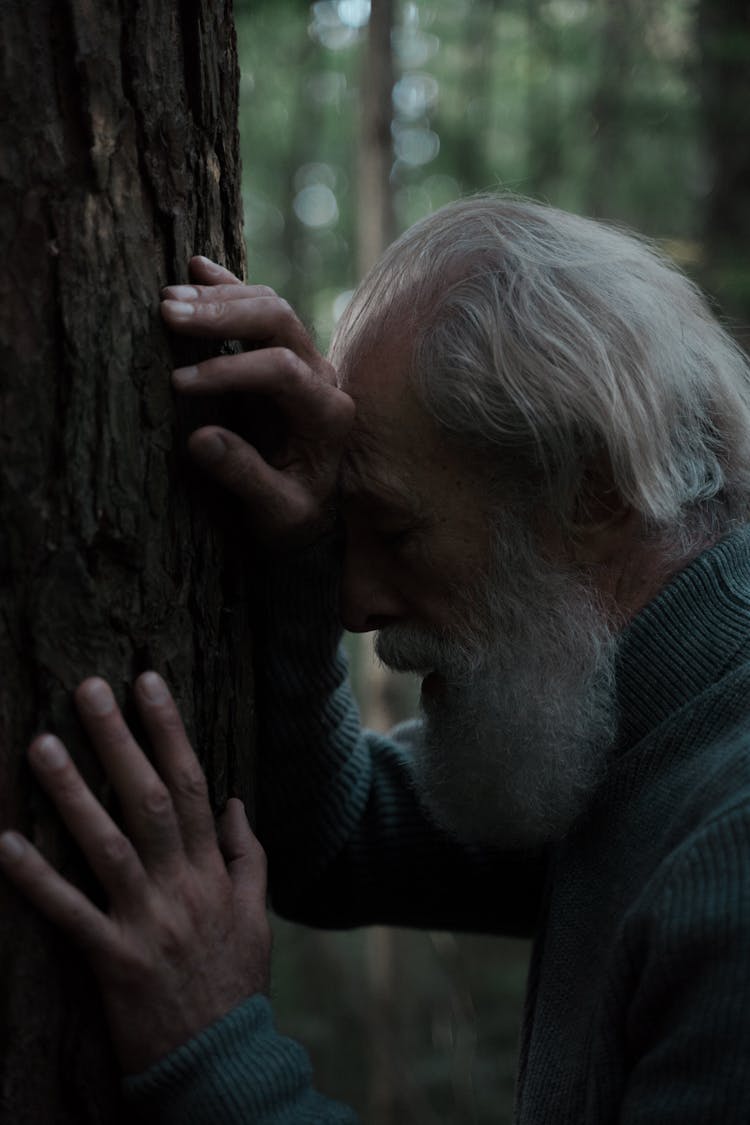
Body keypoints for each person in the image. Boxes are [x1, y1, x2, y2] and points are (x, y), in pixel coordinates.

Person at [2, 195, 750, 1123]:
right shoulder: (623, 721)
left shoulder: (728, 840)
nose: (356, 606)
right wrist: (300, 555)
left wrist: (214, 1057)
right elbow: (338, 834)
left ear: (589, 492)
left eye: (395, 530)